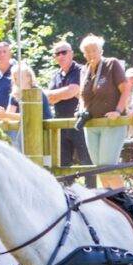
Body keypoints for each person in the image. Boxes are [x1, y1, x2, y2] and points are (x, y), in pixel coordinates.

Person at [77, 34, 128, 181]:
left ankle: (121, 195)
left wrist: (118, 111)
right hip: (91, 124)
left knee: (107, 167)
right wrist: (81, 111)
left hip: (111, 123)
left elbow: (126, 90)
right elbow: (82, 95)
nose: (91, 54)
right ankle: (108, 196)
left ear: (101, 50)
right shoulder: (84, 70)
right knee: (99, 169)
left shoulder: (112, 64)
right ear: (83, 54)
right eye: (87, 51)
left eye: (94, 50)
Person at [45, 41, 94, 180]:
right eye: (57, 53)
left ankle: (92, 190)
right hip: (60, 125)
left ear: (71, 53)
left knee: (87, 162)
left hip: (80, 123)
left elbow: (73, 90)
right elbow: (49, 99)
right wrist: (64, 93)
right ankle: (68, 191)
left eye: (64, 52)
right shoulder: (55, 75)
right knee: (63, 164)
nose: (61, 56)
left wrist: (57, 95)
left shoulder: (80, 70)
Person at [0, 63, 52, 150]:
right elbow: (9, 116)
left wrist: (5, 115)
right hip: (24, 132)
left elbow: (29, 116)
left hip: (42, 132)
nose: (17, 81)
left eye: (20, 77)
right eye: (15, 78)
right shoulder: (14, 94)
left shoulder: (36, 93)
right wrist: (0, 114)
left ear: (29, 77)